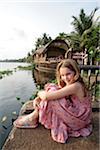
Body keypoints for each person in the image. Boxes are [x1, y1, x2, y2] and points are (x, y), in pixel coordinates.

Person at [14, 59, 92, 143]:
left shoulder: (76, 86)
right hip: (78, 115)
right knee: (53, 88)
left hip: (79, 119)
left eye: (68, 74)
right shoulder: (72, 84)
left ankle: (33, 117)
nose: (65, 78)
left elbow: (47, 96)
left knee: (52, 98)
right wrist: (38, 98)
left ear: (75, 73)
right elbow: (56, 92)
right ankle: (34, 115)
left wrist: (39, 93)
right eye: (62, 75)